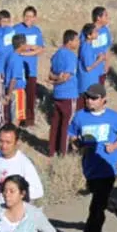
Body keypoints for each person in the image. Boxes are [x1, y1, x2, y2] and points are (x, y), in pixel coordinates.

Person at [68, 83, 117, 232]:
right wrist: (77, 145)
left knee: (96, 207)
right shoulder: (80, 117)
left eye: (94, 98)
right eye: (87, 97)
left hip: (108, 168)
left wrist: (115, 146)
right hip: (90, 169)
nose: (89, 100)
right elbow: (72, 135)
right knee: (101, 204)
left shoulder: (114, 118)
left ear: (104, 100)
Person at [0, 123, 46, 222]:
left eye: (8, 142)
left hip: (15, 220)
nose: (3, 146)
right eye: (1, 141)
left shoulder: (24, 163)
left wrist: (15, 194)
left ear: (17, 142)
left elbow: (38, 191)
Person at [47, 29, 80, 157]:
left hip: (57, 95)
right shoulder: (71, 56)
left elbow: (50, 74)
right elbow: (66, 77)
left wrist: (54, 81)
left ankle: (51, 150)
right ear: (70, 41)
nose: (78, 43)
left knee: (55, 123)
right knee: (67, 124)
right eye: (76, 40)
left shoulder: (57, 54)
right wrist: (58, 80)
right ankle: (63, 152)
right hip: (69, 94)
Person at [12, 7, 45, 127]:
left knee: (30, 93)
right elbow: (14, 47)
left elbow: (40, 48)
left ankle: (29, 120)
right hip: (19, 67)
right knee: (20, 94)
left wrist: (26, 51)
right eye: (26, 16)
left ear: (35, 18)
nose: (28, 19)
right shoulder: (16, 29)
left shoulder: (37, 31)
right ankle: (19, 118)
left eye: (31, 16)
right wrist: (32, 48)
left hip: (31, 68)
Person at [2, 34, 31, 126]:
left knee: (12, 115)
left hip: (12, 90)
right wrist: (9, 95)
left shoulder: (11, 56)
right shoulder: (17, 60)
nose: (27, 46)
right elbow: (13, 79)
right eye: (26, 44)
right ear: (21, 45)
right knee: (16, 118)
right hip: (17, 91)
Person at [77, 23, 106, 105]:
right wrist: (99, 60)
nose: (98, 33)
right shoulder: (86, 48)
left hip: (90, 83)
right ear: (89, 36)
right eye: (95, 32)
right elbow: (88, 68)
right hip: (86, 84)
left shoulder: (89, 46)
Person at [90, 6, 113, 85]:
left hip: (101, 69)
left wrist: (107, 64)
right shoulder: (88, 31)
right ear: (98, 18)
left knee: (99, 91)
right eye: (105, 15)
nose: (108, 17)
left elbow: (107, 48)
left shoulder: (105, 30)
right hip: (91, 68)